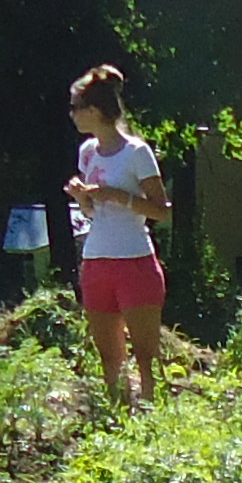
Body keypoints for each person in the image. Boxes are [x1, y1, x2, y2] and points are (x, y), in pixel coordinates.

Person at [64, 64, 171, 404]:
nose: (72, 115)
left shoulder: (136, 152)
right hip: (96, 262)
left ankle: (152, 416)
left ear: (93, 111)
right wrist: (83, 198)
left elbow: (162, 211)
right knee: (110, 358)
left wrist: (119, 196)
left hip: (135, 260)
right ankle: (119, 415)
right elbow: (92, 214)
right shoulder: (87, 152)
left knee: (145, 357)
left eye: (75, 107)